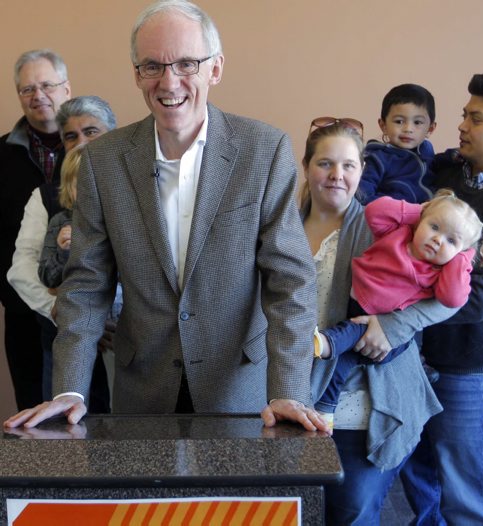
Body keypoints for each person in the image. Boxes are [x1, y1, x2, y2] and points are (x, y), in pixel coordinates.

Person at [4, 0, 328, 434]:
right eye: (152, 65)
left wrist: (287, 388)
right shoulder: (103, 161)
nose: (169, 80)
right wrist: (70, 389)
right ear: (137, 74)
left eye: (187, 63)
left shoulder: (263, 151)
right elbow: (85, 285)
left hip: (241, 391)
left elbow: (290, 282)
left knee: (232, 506)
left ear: (215, 69)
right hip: (144, 392)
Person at [301, 116, 455, 524]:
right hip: (289, 392)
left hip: (363, 399)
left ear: (362, 172)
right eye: (325, 163)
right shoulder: (280, 227)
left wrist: (394, 327)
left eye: (349, 166)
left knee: (352, 510)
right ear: (306, 166)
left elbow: (452, 296)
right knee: (295, 509)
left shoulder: (385, 227)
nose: (337, 175)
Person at [314, 190, 483, 425]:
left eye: (451, 241)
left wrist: (461, 258)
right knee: (340, 364)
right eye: (435, 227)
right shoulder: (397, 234)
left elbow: (453, 298)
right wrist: (420, 211)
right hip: (356, 306)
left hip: (384, 334)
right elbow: (374, 211)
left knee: (348, 335)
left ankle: (325, 342)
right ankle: (325, 411)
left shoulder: (440, 273)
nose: (438, 239)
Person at [409, 72, 483, 525]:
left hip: (470, 371)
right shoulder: (440, 173)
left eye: (476, 118)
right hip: (414, 364)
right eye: (465, 115)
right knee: (422, 491)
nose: (462, 125)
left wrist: (402, 311)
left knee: (470, 499)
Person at [7, 96, 118, 406]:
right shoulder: (47, 200)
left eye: (91, 131)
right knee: (67, 434)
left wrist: (110, 314)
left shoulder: (142, 190)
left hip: (130, 341)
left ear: (114, 134)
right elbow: (22, 271)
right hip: (62, 334)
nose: (81, 142)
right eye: (71, 135)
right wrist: (66, 313)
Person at [0, 49, 71, 410]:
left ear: (67, 89)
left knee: (97, 418)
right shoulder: (1, 156)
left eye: (46, 85)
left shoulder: (99, 148)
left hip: (95, 322)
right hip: (24, 316)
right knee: (33, 418)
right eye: (27, 89)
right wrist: (26, 301)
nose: (38, 95)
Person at [359, 83, 436, 205]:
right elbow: (362, 194)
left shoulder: (426, 149)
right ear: (383, 125)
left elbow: (439, 165)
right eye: (399, 121)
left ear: (430, 129)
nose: (408, 129)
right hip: (392, 217)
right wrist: (390, 208)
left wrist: (453, 156)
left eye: (417, 122)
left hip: (425, 214)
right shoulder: (378, 157)